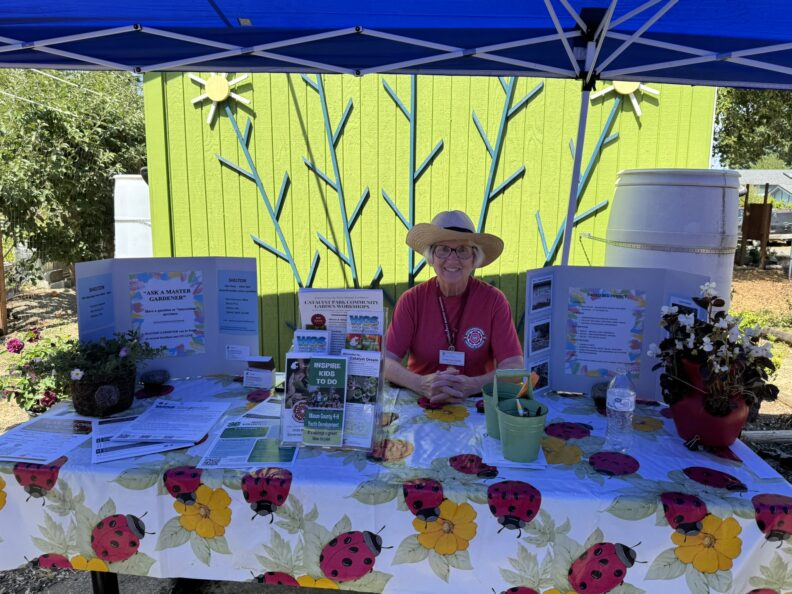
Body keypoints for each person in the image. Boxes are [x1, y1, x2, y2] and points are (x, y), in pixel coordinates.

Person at [384, 210, 523, 404]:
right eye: (443, 249)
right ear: (431, 257)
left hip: (477, 404)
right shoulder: (412, 300)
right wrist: (420, 383)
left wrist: (475, 384)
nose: (452, 258)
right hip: (419, 402)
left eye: (462, 250)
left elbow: (515, 366)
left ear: (474, 259)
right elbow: (385, 361)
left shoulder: (494, 301)